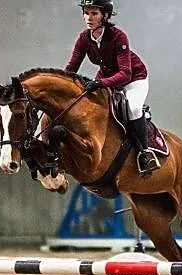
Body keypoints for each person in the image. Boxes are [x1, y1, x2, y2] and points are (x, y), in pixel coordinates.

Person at [65, 0, 160, 176]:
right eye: (86, 13)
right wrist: (62, 85)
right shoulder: (84, 38)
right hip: (107, 78)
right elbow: (71, 68)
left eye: (94, 13)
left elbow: (125, 73)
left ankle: (144, 153)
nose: (88, 18)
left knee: (132, 108)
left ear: (105, 16)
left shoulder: (118, 37)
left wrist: (100, 83)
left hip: (134, 78)